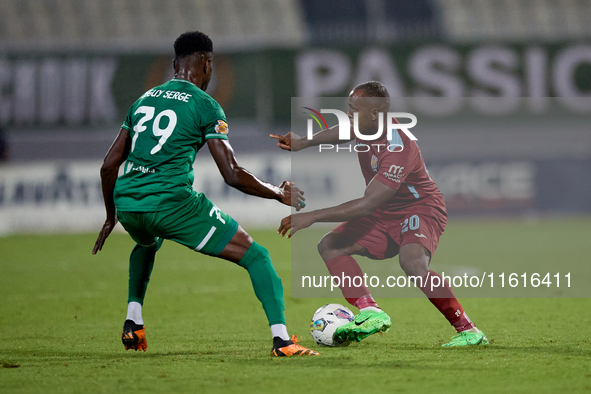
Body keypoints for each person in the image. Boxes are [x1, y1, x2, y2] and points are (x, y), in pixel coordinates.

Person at [92, 31, 318, 357]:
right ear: (207, 64)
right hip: (171, 203)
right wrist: (277, 192)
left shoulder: (143, 100)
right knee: (258, 257)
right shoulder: (206, 106)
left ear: (174, 65)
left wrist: (111, 216)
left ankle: (133, 322)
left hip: (127, 203)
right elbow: (232, 173)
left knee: (147, 241)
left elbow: (108, 165)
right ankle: (282, 341)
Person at [272, 81, 488, 347]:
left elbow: (367, 205)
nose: (349, 114)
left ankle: (468, 330)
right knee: (330, 245)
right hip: (385, 211)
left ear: (375, 113)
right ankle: (370, 311)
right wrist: (304, 142)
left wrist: (311, 216)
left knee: (413, 264)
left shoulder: (399, 147)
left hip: (419, 208)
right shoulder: (367, 123)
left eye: (353, 109)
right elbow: (345, 131)